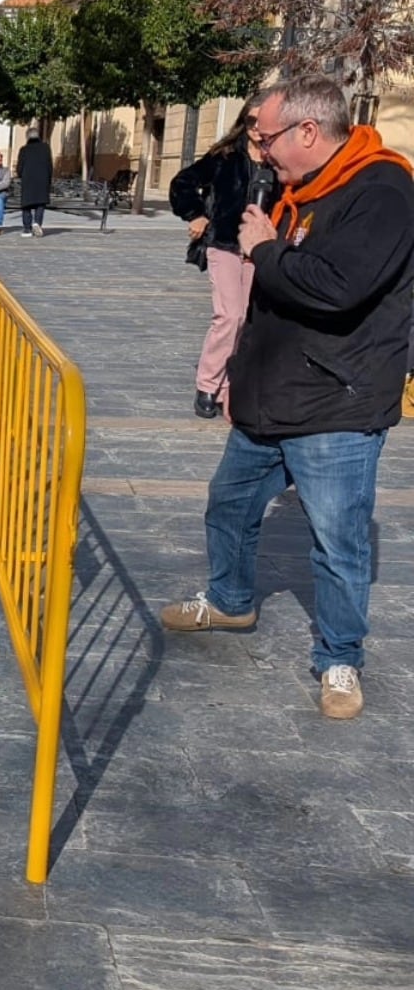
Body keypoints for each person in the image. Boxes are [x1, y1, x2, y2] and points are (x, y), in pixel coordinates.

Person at [161, 75, 414, 721]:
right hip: (269, 396)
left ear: (308, 130)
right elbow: (268, 303)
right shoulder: (299, 187)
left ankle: (339, 659)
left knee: (337, 541)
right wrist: (237, 378)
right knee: (229, 505)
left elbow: (335, 287)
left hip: (336, 404)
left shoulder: (382, 190)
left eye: (266, 135)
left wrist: (263, 249)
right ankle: (230, 599)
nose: (259, 148)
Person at [169, 93, 270, 419]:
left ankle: (231, 389)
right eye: (252, 121)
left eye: (263, 121)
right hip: (224, 244)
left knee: (249, 319)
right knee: (230, 316)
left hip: (261, 251)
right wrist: (195, 214)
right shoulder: (225, 156)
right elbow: (182, 183)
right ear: (244, 121)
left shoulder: (279, 159)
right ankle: (208, 385)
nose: (257, 128)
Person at [16, 124, 54, 237]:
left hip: (28, 180)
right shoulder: (46, 148)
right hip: (42, 180)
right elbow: (50, 165)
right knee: (40, 204)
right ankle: (37, 223)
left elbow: (20, 167)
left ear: (27, 137)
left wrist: (20, 174)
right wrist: (49, 179)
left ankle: (27, 229)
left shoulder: (24, 150)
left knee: (26, 205)